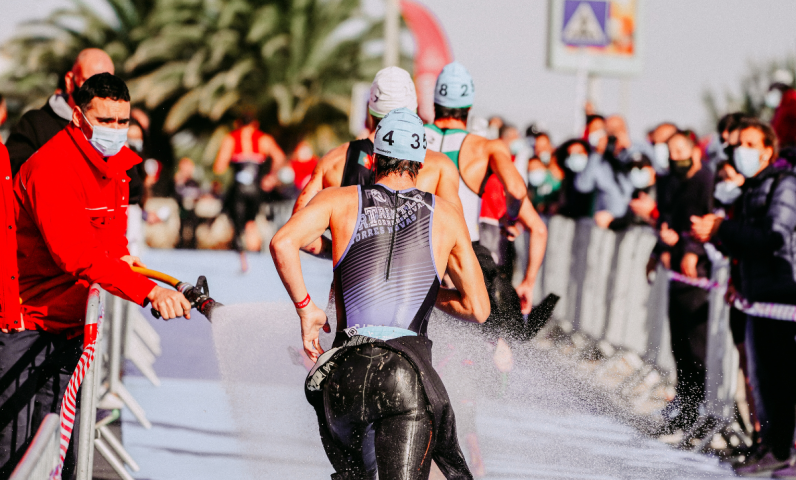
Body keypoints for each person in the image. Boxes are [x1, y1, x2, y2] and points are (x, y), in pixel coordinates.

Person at [270, 108, 489, 479]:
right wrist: (430, 292)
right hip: (404, 375)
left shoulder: (339, 200)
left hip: (344, 374)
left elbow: (283, 242)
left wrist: (306, 309)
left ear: (373, 157)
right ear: (421, 161)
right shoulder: (446, 215)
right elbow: (479, 308)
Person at [4, 73, 190, 478]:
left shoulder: (118, 167)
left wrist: (128, 264)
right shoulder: (51, 168)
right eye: (104, 121)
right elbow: (75, 254)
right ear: (78, 116)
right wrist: (148, 292)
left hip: (71, 324)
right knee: (17, 451)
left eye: (122, 122)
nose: (115, 131)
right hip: (26, 322)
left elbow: (112, 245)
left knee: (64, 445)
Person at [690, 118, 796, 477]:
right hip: (758, 295)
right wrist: (717, 235)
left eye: (752, 144)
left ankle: (782, 449)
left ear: (769, 150)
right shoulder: (753, 187)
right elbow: (747, 242)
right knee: (761, 380)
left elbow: (774, 237)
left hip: (783, 296)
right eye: (739, 145)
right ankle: (766, 446)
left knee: (781, 381)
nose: (742, 151)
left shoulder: (785, 185)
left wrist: (723, 229)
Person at [424, 62, 547, 335]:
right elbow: (516, 190)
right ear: (468, 107)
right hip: (462, 252)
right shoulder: (484, 148)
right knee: (496, 338)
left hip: (415, 249)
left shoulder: (412, 138)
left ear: (436, 102)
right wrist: (511, 219)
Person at [292, 66, 462, 257]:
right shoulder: (438, 165)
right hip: (413, 285)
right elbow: (458, 240)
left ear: (370, 110)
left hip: (349, 285)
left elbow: (298, 233)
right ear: (413, 112)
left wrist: (341, 253)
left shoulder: (335, 160)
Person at [650, 129, 714, 434]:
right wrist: (660, 247)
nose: (674, 157)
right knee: (678, 344)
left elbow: (711, 222)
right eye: (669, 151)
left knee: (695, 345)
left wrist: (691, 249)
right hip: (675, 273)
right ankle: (685, 405)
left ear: (694, 151)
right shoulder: (669, 182)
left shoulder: (706, 182)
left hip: (699, 277)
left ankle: (698, 410)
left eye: (679, 150)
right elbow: (667, 220)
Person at [213, 112, 286, 271]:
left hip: (238, 190)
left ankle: (243, 260)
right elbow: (280, 158)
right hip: (257, 189)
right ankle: (255, 258)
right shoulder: (264, 139)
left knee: (237, 224)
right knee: (251, 222)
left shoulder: (231, 138)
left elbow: (219, 166)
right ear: (255, 124)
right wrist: (271, 177)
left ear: (238, 123)